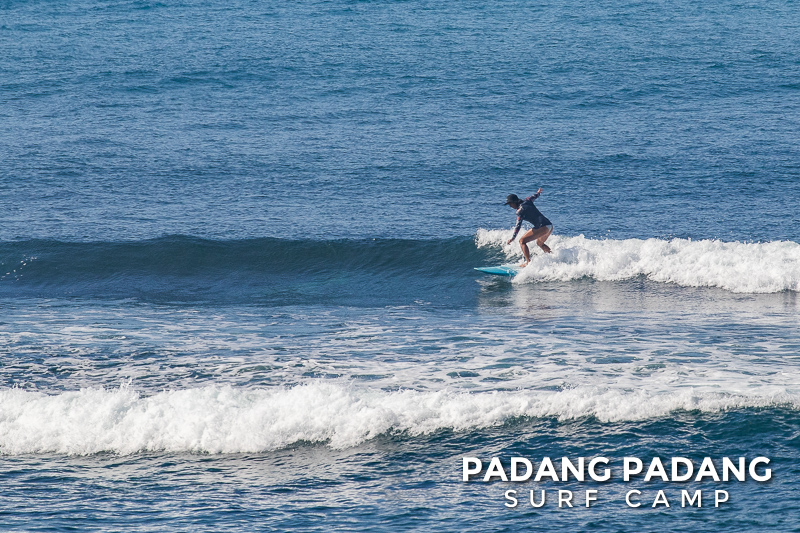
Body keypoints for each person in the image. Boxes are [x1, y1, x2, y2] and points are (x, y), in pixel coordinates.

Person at [505, 188, 553, 267]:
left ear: (514, 202)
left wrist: (513, 238)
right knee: (540, 243)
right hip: (549, 226)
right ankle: (553, 259)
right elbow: (534, 196)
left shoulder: (519, 211)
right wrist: (538, 192)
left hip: (542, 227)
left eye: (510, 203)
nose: (510, 206)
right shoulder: (527, 201)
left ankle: (528, 262)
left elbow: (518, 226)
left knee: (522, 241)